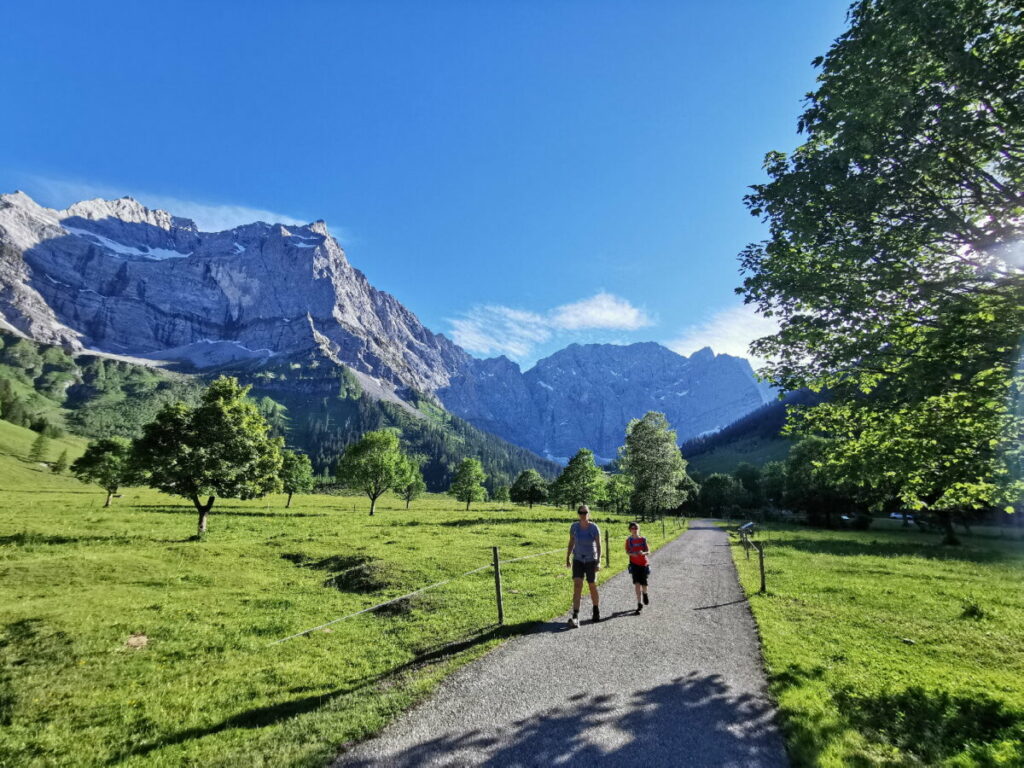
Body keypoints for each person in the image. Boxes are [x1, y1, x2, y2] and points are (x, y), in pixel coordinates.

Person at [565, 504, 601, 627]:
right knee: (577, 585)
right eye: (581, 512)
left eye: (585, 512)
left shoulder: (594, 528)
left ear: (588, 513)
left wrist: (599, 561)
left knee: (592, 585)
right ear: (578, 514)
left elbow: (599, 545)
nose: (583, 515)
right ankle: (575, 614)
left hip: (591, 560)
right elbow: (571, 543)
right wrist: (568, 558)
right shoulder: (574, 527)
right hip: (578, 559)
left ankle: (596, 609)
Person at [625, 522, 650, 614]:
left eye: (636, 528)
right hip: (634, 564)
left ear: (638, 529)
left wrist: (643, 553)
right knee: (637, 583)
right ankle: (639, 603)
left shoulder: (643, 539)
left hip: (643, 564)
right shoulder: (629, 540)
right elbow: (627, 552)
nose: (634, 530)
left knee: (644, 583)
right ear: (630, 530)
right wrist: (633, 554)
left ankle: (645, 594)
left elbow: (648, 551)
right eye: (632, 528)